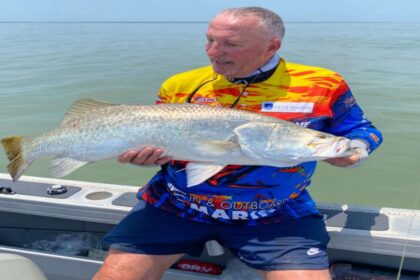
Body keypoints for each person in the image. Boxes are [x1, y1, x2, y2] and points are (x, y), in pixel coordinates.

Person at [93, 7, 382, 280]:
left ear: (272, 45)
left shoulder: (322, 84)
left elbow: (361, 130)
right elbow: (161, 139)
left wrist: (357, 151)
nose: (213, 52)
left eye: (230, 44)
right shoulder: (180, 85)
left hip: (277, 212)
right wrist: (148, 155)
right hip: (176, 204)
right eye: (209, 40)